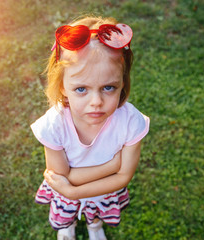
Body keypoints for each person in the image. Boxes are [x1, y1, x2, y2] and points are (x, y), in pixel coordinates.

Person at [31, 16, 150, 240]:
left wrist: (73, 191)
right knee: (68, 212)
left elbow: (124, 177)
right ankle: (68, 227)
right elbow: (62, 175)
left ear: (122, 82)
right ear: (62, 86)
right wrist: (113, 165)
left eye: (108, 87)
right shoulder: (54, 124)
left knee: (96, 213)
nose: (96, 101)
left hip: (104, 191)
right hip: (85, 187)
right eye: (81, 89)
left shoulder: (131, 122)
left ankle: (95, 225)